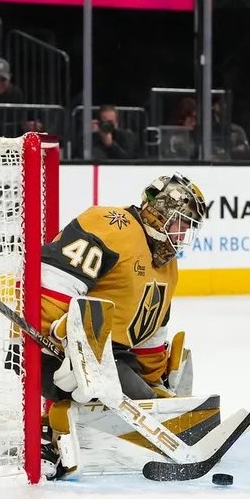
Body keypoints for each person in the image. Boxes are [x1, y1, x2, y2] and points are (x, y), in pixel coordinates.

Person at [38, 173, 207, 477]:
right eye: (181, 222)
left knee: (147, 404)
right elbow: (54, 282)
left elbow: (151, 333)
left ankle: (67, 423)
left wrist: (155, 383)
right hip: (56, 347)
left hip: (110, 356)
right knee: (142, 411)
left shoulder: (168, 267)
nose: (183, 233)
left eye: (189, 226)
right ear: (161, 212)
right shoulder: (111, 225)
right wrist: (59, 343)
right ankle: (47, 433)